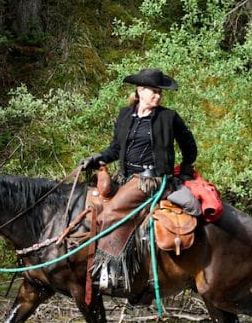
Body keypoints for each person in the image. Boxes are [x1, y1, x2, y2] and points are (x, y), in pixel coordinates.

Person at [79, 68, 200, 289]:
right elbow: (115, 148)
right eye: (154, 91)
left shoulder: (168, 117)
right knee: (89, 204)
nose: (158, 96)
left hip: (150, 180)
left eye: (160, 92)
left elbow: (189, 146)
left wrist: (185, 168)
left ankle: (111, 270)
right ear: (140, 91)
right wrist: (96, 159)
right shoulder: (125, 115)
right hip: (124, 177)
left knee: (111, 212)